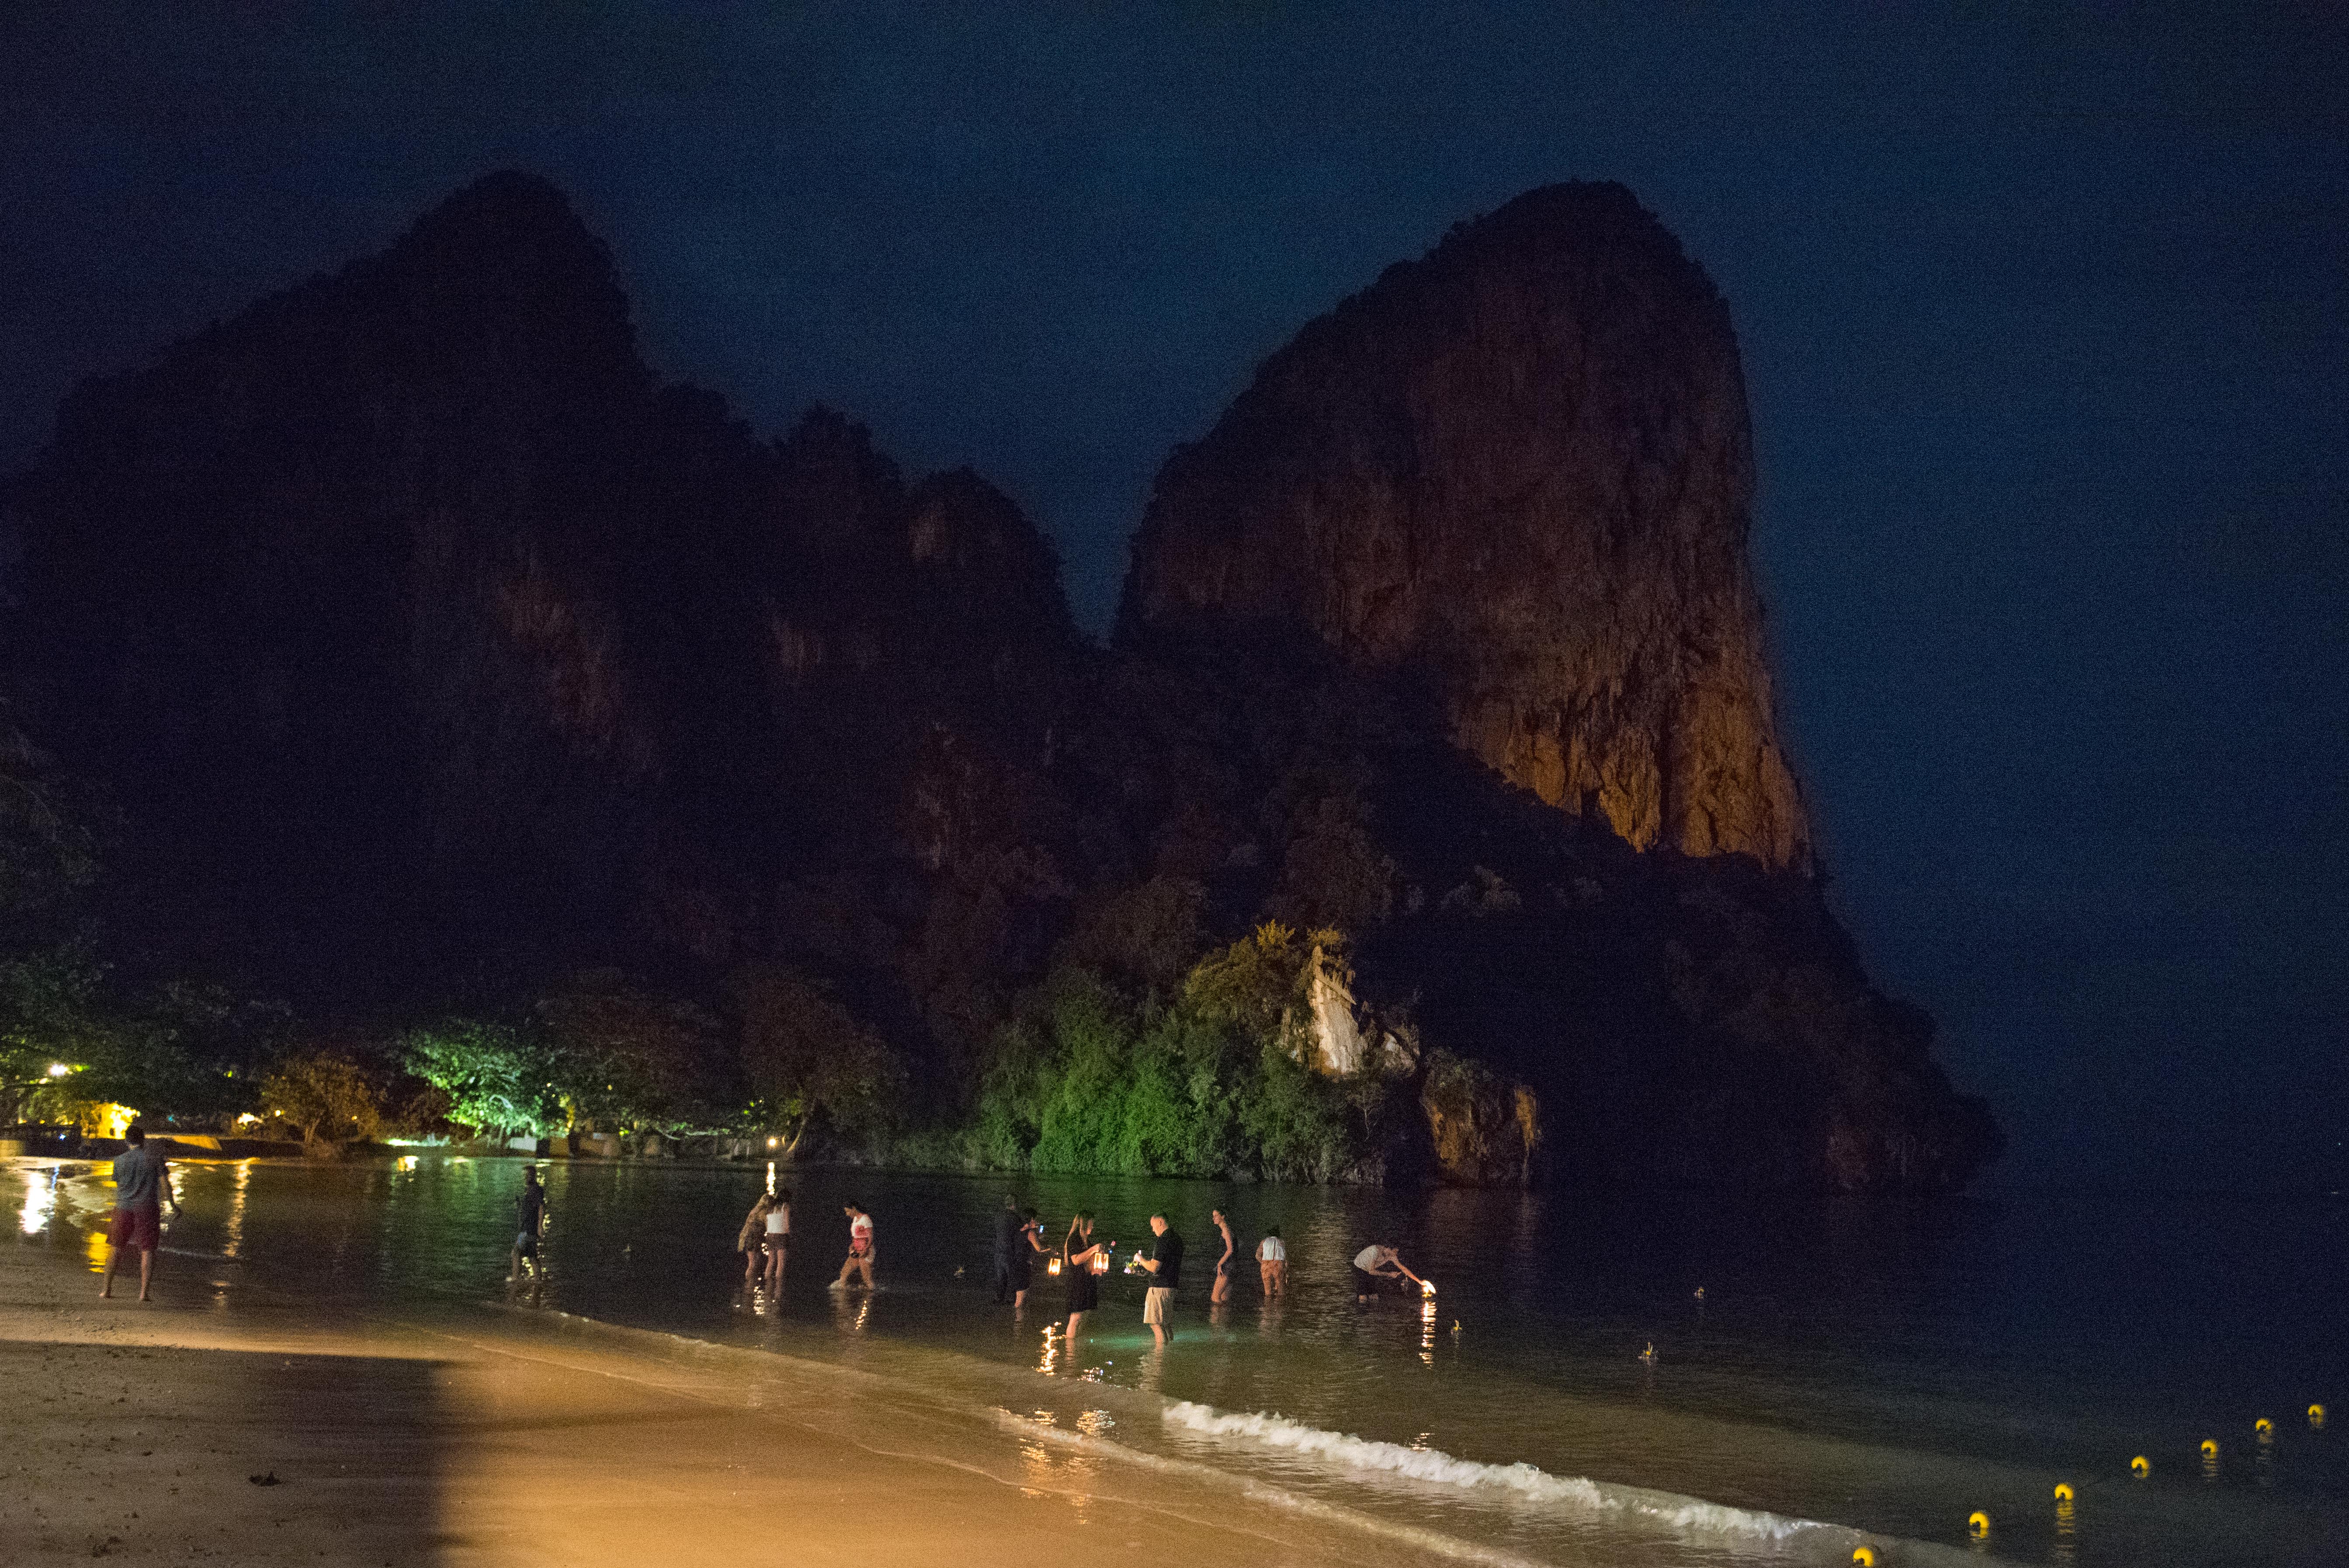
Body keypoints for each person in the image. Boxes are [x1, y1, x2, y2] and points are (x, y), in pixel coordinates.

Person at [99, 1125, 179, 1302]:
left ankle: (106, 1290)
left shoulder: (119, 1161)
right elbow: (166, 1185)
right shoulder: (155, 1159)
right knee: (147, 1250)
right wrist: (174, 1206)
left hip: (123, 1208)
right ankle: (144, 1293)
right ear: (143, 1140)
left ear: (127, 1140)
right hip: (148, 1208)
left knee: (115, 1247)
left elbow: (119, 1186)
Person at [1136, 1212, 1184, 1345]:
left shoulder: (1163, 1241)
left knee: (1155, 1324)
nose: (1153, 1230)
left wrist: (1141, 1260)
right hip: (1171, 1286)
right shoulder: (1177, 1239)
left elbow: (1154, 1267)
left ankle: (1160, 1355)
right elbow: (1168, 1265)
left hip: (1159, 1288)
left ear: (1160, 1222)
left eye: (1153, 1226)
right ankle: (1169, 1353)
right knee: (1166, 1324)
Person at [1060, 1211, 1105, 1340]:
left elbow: (1088, 1263)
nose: (1093, 1227)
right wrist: (1093, 1249)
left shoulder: (1087, 1241)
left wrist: (1095, 1270)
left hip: (1087, 1281)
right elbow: (1076, 1260)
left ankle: (1076, 1342)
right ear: (1084, 1224)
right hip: (1077, 1282)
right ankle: (1070, 1347)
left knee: (1086, 1313)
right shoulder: (1074, 1239)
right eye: (1091, 1224)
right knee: (1076, 1316)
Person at [510, 1167, 550, 1281]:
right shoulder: (529, 1190)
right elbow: (529, 1208)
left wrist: (539, 1227)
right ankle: (538, 1280)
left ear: (533, 1176)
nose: (525, 1177)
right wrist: (519, 1205)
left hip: (529, 1228)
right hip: (527, 1228)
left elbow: (541, 1207)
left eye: (527, 1175)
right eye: (524, 1175)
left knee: (516, 1253)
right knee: (532, 1256)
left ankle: (515, 1279)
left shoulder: (536, 1190)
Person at [1351, 1242, 1424, 1302]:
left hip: (1370, 1270)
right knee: (1363, 1297)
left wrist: (1419, 1281)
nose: (1395, 1255)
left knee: (1374, 1297)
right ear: (1389, 1249)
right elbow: (1372, 1272)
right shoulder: (1375, 1252)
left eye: (1396, 1253)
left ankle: (1373, 1313)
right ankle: (1361, 1311)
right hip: (1359, 1269)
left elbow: (1403, 1268)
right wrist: (1389, 1274)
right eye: (1394, 1252)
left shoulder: (1392, 1256)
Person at [1008, 1207, 1047, 1311]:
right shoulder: (1031, 1233)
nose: (1037, 1221)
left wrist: (1039, 1232)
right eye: (1036, 1219)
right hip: (1023, 1267)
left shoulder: (1019, 1231)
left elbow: (1034, 1240)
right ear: (1032, 1219)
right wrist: (1051, 1249)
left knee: (1021, 1298)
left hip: (1015, 1266)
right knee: (1020, 1302)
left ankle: (1019, 1319)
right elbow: (1039, 1248)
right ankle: (1017, 1319)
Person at [831, 1202, 875, 1290]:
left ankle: (872, 1294)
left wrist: (866, 1250)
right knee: (845, 1272)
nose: (847, 1214)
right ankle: (842, 1292)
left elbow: (870, 1237)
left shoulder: (865, 1219)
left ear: (854, 1209)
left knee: (867, 1278)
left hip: (866, 1249)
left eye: (848, 1211)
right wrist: (852, 1246)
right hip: (857, 1249)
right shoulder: (855, 1219)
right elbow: (856, 1236)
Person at [991, 1192, 1024, 1303]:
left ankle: (999, 1299)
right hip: (1009, 1251)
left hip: (998, 1251)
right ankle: (1014, 1301)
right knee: (1013, 1277)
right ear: (1014, 1205)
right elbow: (1021, 1231)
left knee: (1001, 1278)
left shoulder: (998, 1216)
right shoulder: (1014, 1217)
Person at [738, 1193, 774, 1284]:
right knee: (753, 1264)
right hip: (755, 1239)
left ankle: (751, 1283)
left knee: (754, 1262)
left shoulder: (754, 1211)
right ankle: (749, 1283)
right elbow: (768, 1226)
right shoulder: (764, 1212)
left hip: (748, 1238)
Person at [763, 1186, 792, 1289]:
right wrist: (790, 1235)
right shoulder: (786, 1207)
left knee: (771, 1261)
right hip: (781, 1235)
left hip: (770, 1235)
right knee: (781, 1263)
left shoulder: (770, 1208)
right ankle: (779, 1288)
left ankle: (767, 1285)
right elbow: (787, 1223)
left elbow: (767, 1223)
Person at [1209, 1207, 1235, 1302]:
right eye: (1213, 1216)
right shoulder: (1227, 1229)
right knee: (1225, 1299)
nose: (1214, 1218)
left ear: (1223, 1217)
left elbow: (1230, 1250)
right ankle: (1226, 1313)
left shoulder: (1226, 1230)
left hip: (1227, 1266)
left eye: (1216, 1216)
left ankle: (1216, 1314)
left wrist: (1220, 1264)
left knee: (1215, 1298)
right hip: (1232, 1266)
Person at [1256, 1227, 1288, 1297]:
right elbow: (1285, 1257)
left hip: (1266, 1265)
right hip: (1278, 1265)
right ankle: (1280, 1304)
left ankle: (1268, 1304)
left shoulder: (1264, 1242)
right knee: (1281, 1293)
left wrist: (1264, 1263)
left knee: (1268, 1293)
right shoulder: (1281, 1242)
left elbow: (1257, 1256)